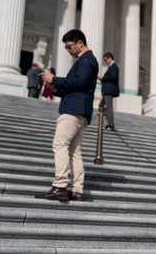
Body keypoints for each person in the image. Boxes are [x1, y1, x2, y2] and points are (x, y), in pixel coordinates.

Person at [35, 29, 98, 202]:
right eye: (65, 48)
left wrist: (54, 79)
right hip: (80, 110)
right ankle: (77, 189)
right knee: (74, 151)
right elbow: (76, 86)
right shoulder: (86, 60)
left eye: (69, 47)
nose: (68, 50)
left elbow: (79, 82)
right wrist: (55, 86)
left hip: (73, 110)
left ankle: (60, 185)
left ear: (80, 43)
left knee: (60, 144)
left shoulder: (86, 60)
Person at [97, 52, 119, 131]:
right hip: (107, 91)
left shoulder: (114, 66)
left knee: (109, 107)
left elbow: (113, 77)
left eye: (105, 60)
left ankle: (111, 124)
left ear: (110, 58)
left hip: (109, 90)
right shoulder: (111, 66)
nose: (105, 61)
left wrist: (103, 78)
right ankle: (108, 118)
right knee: (101, 106)